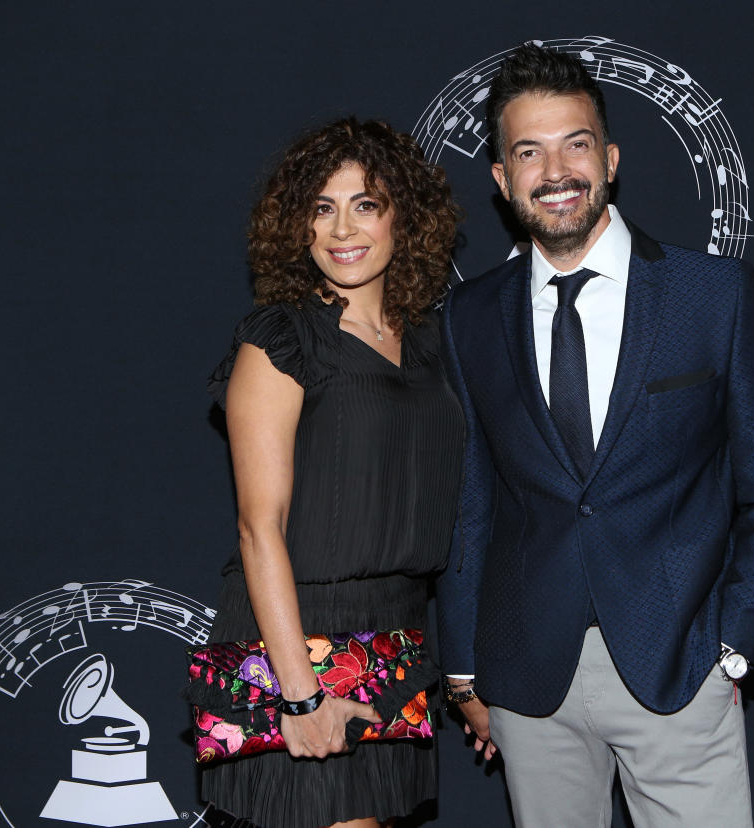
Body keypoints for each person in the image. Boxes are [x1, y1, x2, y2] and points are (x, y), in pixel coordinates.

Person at [436, 44, 754, 827]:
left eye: (575, 143)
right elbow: (471, 504)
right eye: (528, 151)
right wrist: (464, 667)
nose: (557, 170)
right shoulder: (469, 318)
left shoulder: (713, 296)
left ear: (608, 159)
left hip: (679, 662)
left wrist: (734, 645)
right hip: (527, 672)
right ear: (503, 180)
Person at [202, 118, 463, 828]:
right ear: (298, 225)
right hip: (298, 638)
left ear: (403, 219)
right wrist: (299, 694)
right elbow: (260, 529)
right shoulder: (281, 339)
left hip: (399, 640)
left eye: (365, 204)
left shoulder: (437, 346)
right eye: (322, 207)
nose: (341, 227)